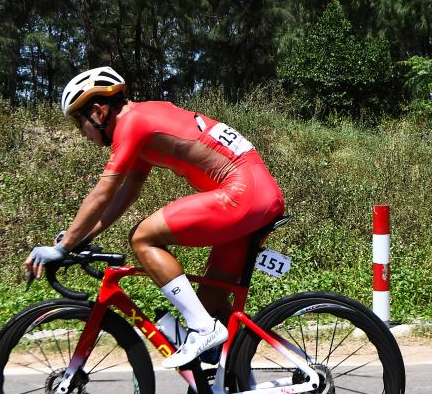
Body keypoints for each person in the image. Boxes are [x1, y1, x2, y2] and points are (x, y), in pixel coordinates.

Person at [24, 66, 285, 368]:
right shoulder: (145, 118)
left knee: (142, 237)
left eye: (78, 122)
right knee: (210, 303)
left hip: (244, 193)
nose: (81, 133)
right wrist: (80, 237)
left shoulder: (131, 123)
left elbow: (103, 192)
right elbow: (127, 192)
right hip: (258, 195)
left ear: (97, 111)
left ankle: (203, 330)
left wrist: (62, 247)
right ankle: (244, 382)